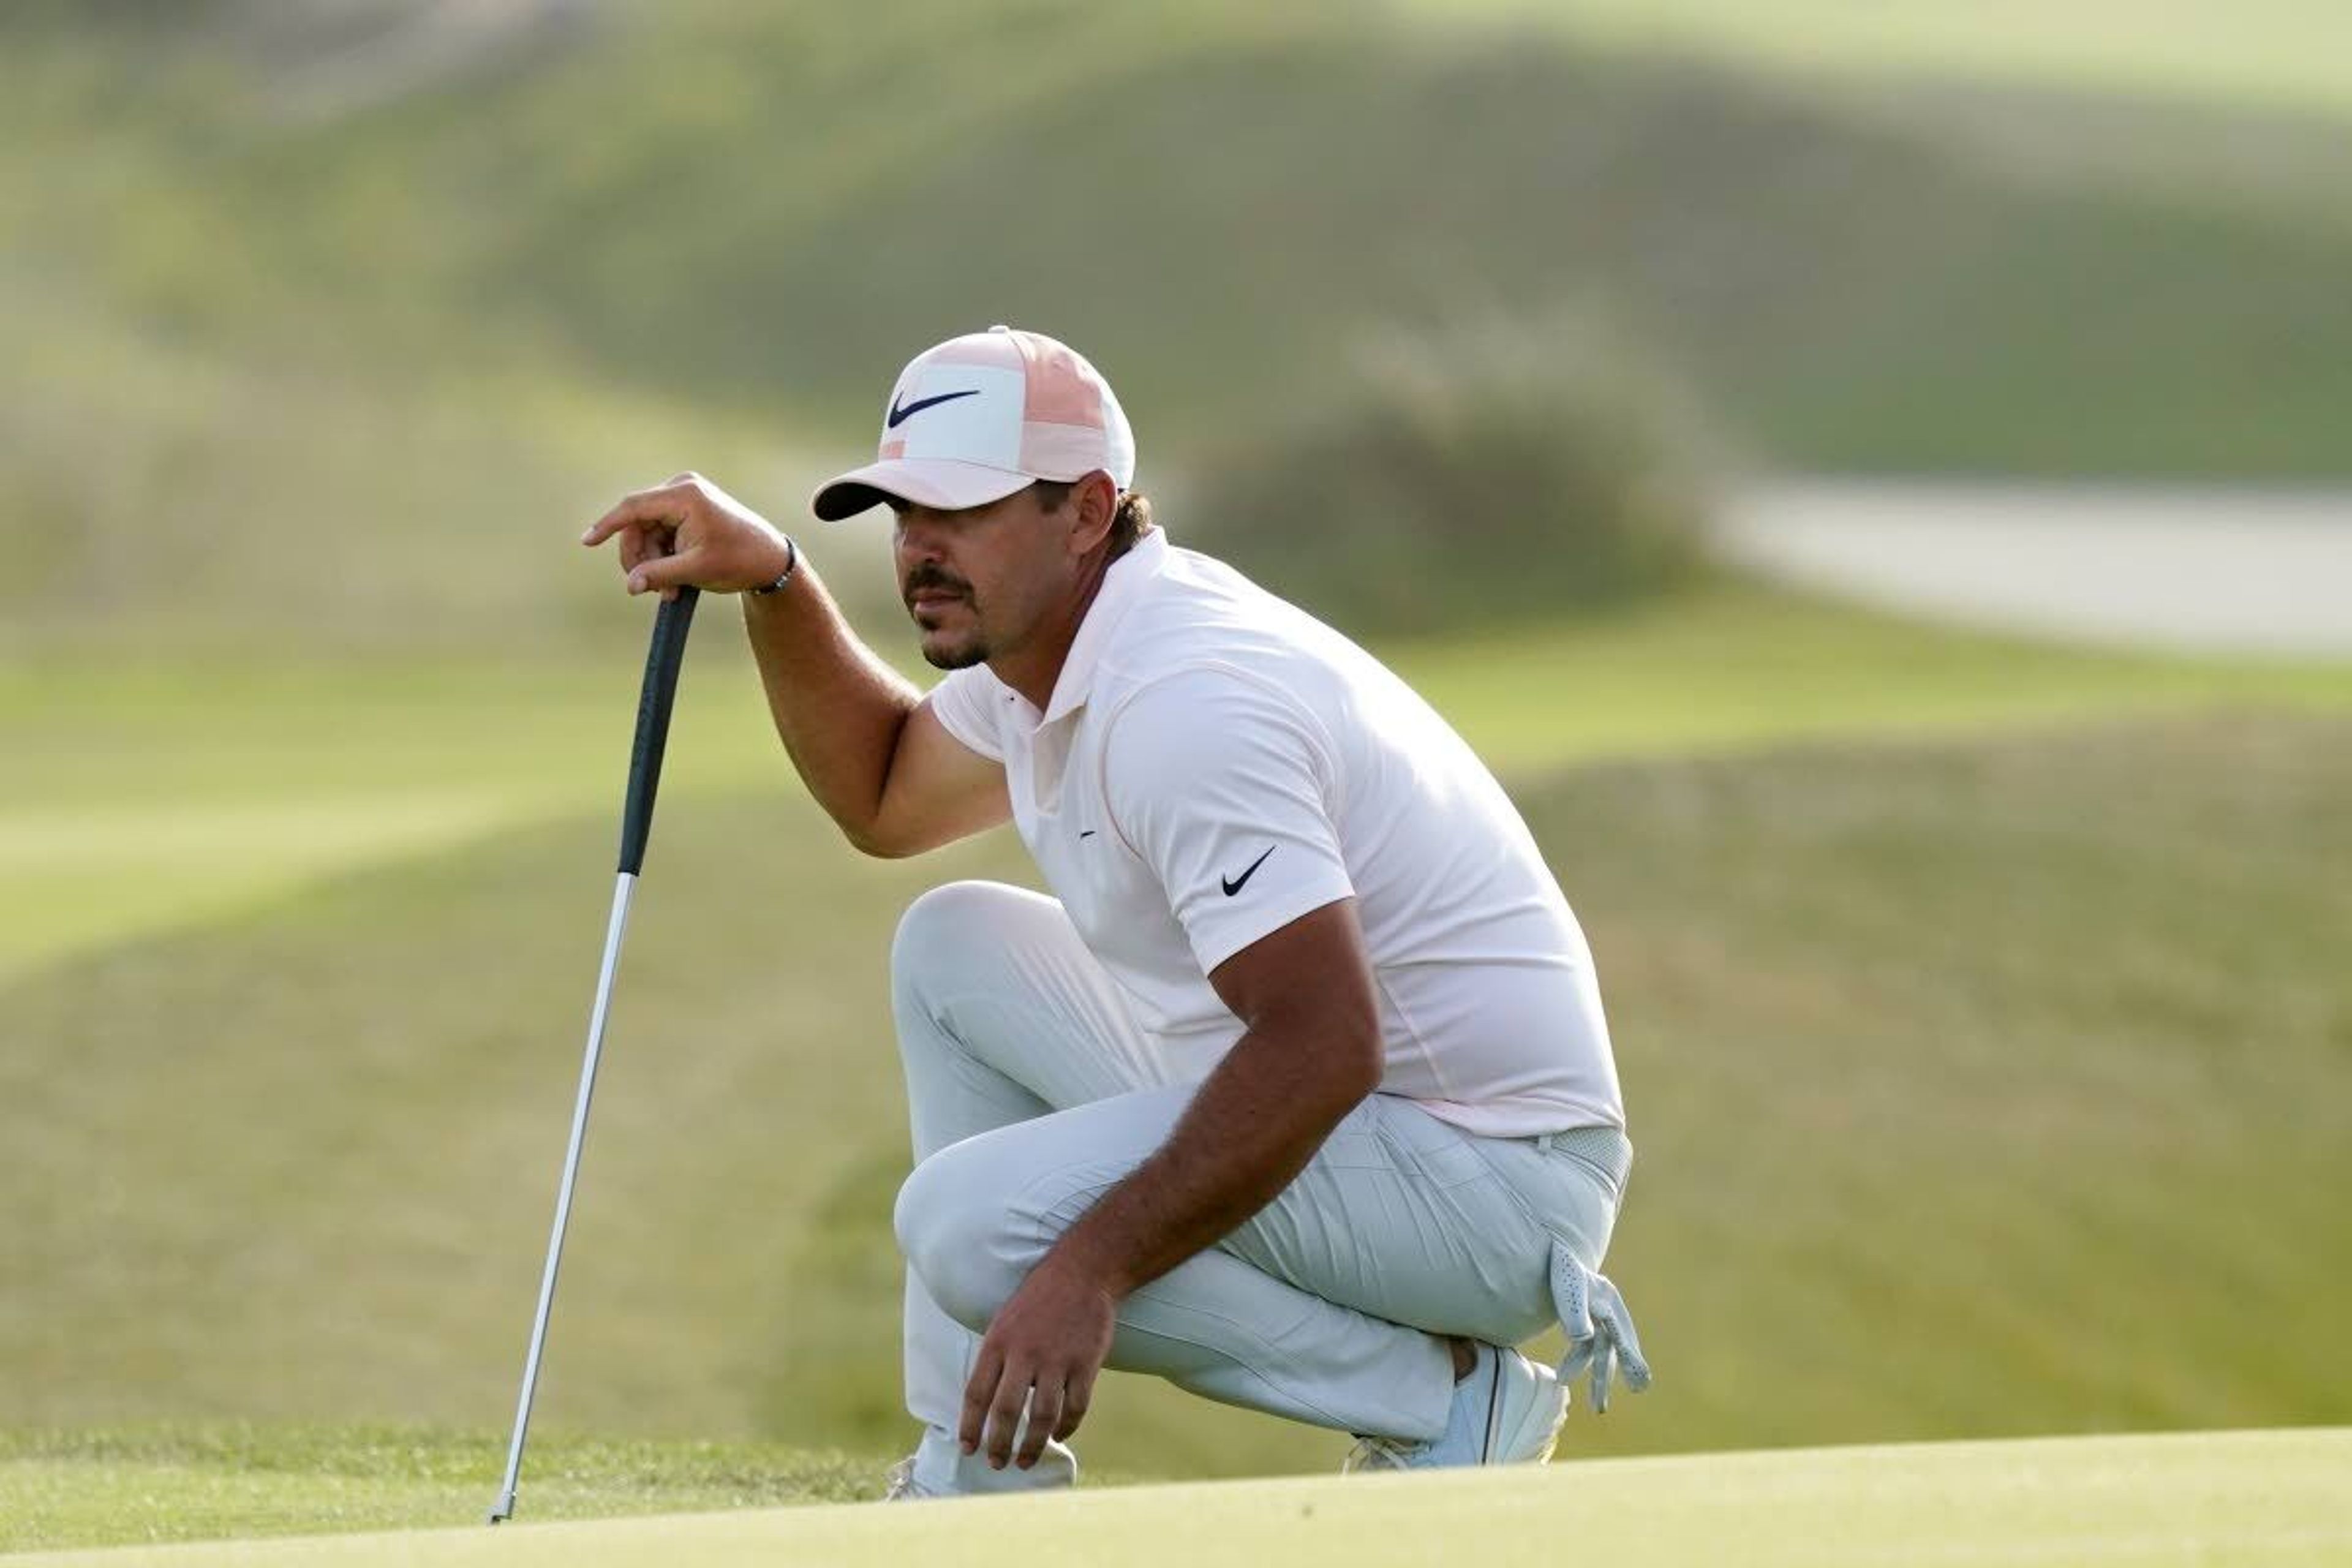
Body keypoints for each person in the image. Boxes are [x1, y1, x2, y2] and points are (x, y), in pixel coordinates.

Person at [581, 325, 1649, 1499]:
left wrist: (1087, 1266)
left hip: (1490, 1186)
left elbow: (1324, 1043)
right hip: (1380, 1130)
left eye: (963, 511)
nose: (920, 551)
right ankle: (976, 1475)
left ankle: (1439, 1400)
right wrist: (778, 577)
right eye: (901, 515)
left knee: (972, 1228)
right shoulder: (1051, 653)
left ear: (1087, 511)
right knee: (953, 948)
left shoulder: (1185, 700)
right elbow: (885, 795)